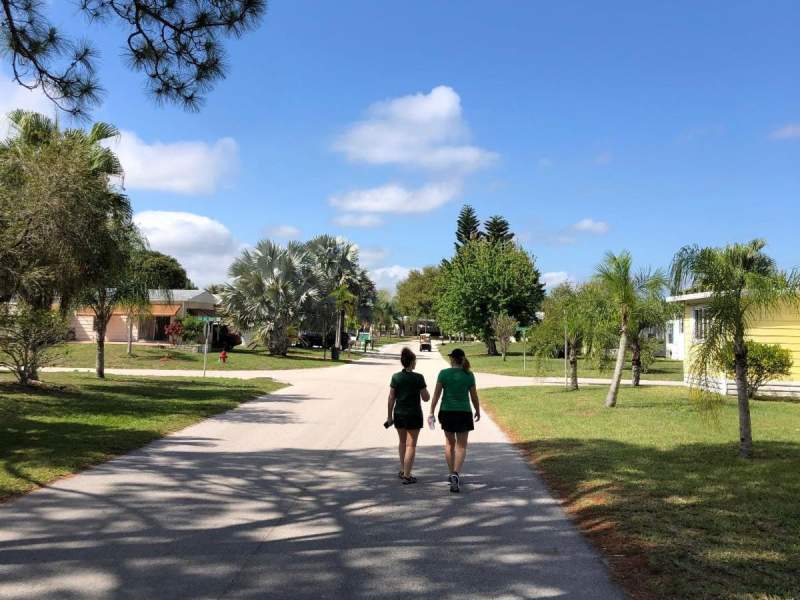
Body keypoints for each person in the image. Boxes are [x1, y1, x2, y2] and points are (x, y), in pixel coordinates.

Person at [429, 348, 480, 493]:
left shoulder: (443, 374)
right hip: (463, 412)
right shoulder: (469, 375)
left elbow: (436, 395)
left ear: (452, 359)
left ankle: (452, 473)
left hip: (447, 412)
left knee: (449, 444)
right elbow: (474, 396)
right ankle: (456, 473)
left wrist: (431, 411)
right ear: (463, 359)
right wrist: (478, 410)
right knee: (462, 446)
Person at [387, 347, 430, 484]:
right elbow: (426, 398)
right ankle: (407, 475)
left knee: (402, 442)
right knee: (411, 445)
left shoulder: (396, 377)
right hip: (414, 415)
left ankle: (402, 469)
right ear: (412, 362)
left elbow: (391, 398)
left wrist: (389, 417)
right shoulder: (418, 377)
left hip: (399, 413)